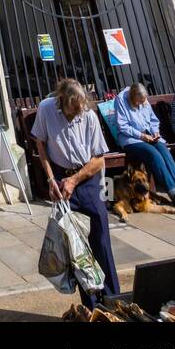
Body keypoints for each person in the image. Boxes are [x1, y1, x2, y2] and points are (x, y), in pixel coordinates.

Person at [32, 78, 120, 311]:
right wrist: (51, 178)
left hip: (88, 179)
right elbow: (40, 144)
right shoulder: (46, 109)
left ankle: (112, 300)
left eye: (82, 107)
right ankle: (91, 306)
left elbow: (99, 158)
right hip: (61, 178)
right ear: (62, 101)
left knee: (100, 239)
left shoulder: (88, 115)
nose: (78, 112)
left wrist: (74, 180)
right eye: (74, 109)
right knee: (76, 247)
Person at [115, 81, 175, 210]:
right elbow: (123, 126)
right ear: (132, 96)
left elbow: (153, 120)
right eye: (138, 102)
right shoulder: (121, 100)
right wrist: (141, 136)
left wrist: (155, 132)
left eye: (143, 102)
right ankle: (173, 193)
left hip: (149, 137)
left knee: (164, 151)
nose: (141, 104)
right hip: (131, 140)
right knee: (154, 154)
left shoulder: (143, 99)